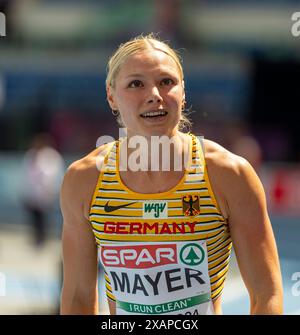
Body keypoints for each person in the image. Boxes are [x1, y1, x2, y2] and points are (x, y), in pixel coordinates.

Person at [60, 34, 283, 315]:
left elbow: (267, 295)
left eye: (166, 82)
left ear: (183, 91)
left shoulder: (228, 175)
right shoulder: (84, 181)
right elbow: (79, 298)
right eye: (136, 84)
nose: (154, 95)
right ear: (111, 96)